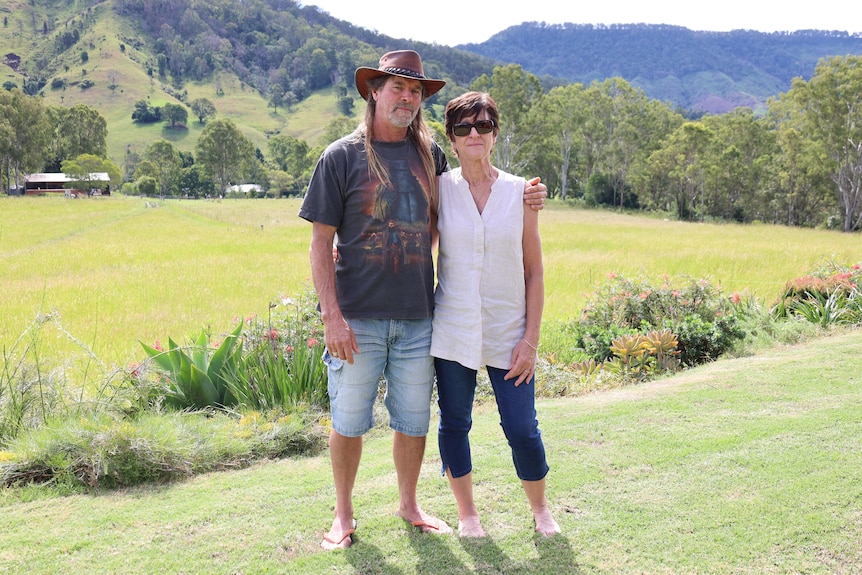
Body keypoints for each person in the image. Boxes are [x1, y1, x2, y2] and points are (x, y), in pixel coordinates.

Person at [299, 50, 547, 551]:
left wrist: (528, 197)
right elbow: (319, 244)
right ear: (374, 91)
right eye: (398, 88)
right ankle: (342, 515)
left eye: (415, 92)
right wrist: (332, 317)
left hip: (418, 318)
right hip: (358, 318)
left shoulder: (428, 154)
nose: (408, 98)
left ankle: (409, 504)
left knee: (412, 421)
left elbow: (465, 203)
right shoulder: (341, 156)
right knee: (349, 421)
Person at [430, 91, 561, 538]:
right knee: (454, 423)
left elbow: (534, 271)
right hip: (453, 330)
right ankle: (468, 516)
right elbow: (412, 240)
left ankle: (541, 510)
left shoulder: (521, 193)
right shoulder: (439, 190)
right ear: (451, 137)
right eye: (464, 127)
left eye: (483, 126)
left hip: (510, 333)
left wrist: (531, 339)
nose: (474, 134)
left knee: (523, 427)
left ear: (495, 134)